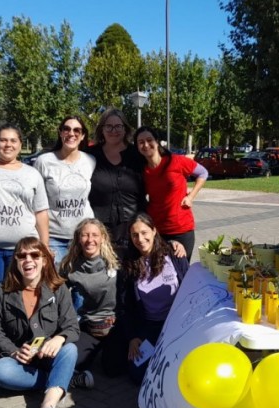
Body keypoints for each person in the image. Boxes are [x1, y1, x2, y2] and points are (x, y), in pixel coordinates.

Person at [0, 237, 80, 408]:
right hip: (20, 362)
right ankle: (62, 380)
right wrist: (14, 352)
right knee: (0, 372)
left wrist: (59, 339)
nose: (28, 260)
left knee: (70, 349)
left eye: (34, 255)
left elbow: (72, 326)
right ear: (16, 261)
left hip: (48, 357)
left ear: (44, 260)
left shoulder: (59, 288)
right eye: (22, 256)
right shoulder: (2, 291)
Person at [0, 124, 49, 325]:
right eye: (3, 140)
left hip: (23, 250)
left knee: (20, 294)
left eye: (13, 140)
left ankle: (15, 339)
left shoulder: (32, 173)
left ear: (20, 144)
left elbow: (40, 212)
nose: (8, 145)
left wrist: (44, 246)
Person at [120, 213, 189, 385]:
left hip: (176, 324)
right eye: (135, 235)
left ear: (154, 231)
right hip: (150, 326)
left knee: (180, 367)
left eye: (144, 232)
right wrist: (133, 337)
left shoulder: (173, 253)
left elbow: (189, 287)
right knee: (137, 373)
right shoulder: (129, 264)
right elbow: (126, 305)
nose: (140, 239)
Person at [58, 218, 126, 382]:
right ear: (78, 238)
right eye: (85, 235)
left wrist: (175, 244)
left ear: (103, 237)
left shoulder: (119, 257)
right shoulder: (69, 266)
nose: (90, 240)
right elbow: (54, 293)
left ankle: (110, 350)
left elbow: (147, 250)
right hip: (91, 326)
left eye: (95, 235)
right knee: (74, 362)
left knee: (113, 370)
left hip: (117, 324)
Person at [134, 126, 208, 259]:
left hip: (181, 229)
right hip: (157, 230)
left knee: (181, 272)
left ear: (157, 141)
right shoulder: (142, 171)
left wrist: (191, 196)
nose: (145, 145)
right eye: (141, 142)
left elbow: (203, 173)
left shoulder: (175, 161)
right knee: (160, 271)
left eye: (149, 140)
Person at [33, 116, 96, 265]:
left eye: (76, 130)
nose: (71, 133)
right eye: (66, 129)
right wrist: (44, 241)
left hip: (84, 235)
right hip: (54, 236)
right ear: (60, 133)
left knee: (82, 284)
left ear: (82, 136)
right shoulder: (44, 161)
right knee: (55, 284)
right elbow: (36, 201)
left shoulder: (91, 160)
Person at [86, 108, 147, 259]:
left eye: (118, 126)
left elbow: (159, 167)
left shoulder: (137, 154)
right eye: (109, 126)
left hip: (133, 227)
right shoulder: (89, 155)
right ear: (102, 129)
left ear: (125, 129)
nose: (114, 130)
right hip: (98, 228)